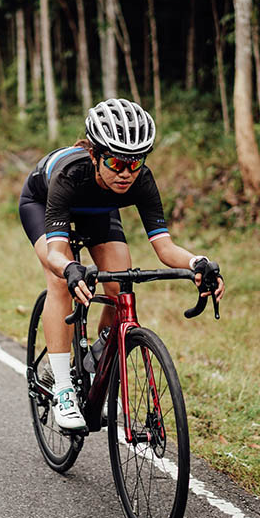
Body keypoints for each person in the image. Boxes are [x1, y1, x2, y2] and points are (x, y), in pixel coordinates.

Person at [18, 98, 225, 430]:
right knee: (60, 280)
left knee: (118, 286)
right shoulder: (70, 174)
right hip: (43, 204)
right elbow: (57, 252)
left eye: (136, 162)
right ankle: (63, 387)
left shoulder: (140, 180)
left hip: (98, 212)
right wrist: (70, 268)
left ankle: (96, 358)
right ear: (95, 155)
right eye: (116, 162)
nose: (127, 173)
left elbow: (165, 247)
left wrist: (198, 262)